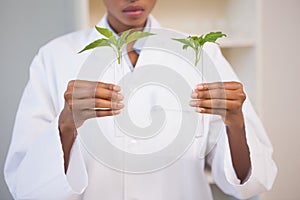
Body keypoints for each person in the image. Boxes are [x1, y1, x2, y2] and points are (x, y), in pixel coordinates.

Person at [4, 0, 277, 199]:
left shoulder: (202, 55)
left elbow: (249, 182)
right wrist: (66, 125)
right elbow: (28, 187)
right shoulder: (55, 57)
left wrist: (235, 123)